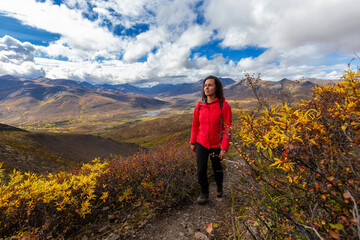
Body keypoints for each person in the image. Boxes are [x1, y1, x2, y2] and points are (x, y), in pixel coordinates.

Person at [190, 75, 232, 204]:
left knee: (217, 168)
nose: (207, 87)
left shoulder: (223, 106)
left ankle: (219, 188)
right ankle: (204, 193)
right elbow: (195, 125)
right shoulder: (199, 106)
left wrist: (224, 148)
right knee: (201, 169)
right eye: (205, 85)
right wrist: (192, 141)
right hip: (201, 143)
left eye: (210, 85)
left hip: (216, 144)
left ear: (216, 87)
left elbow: (228, 128)